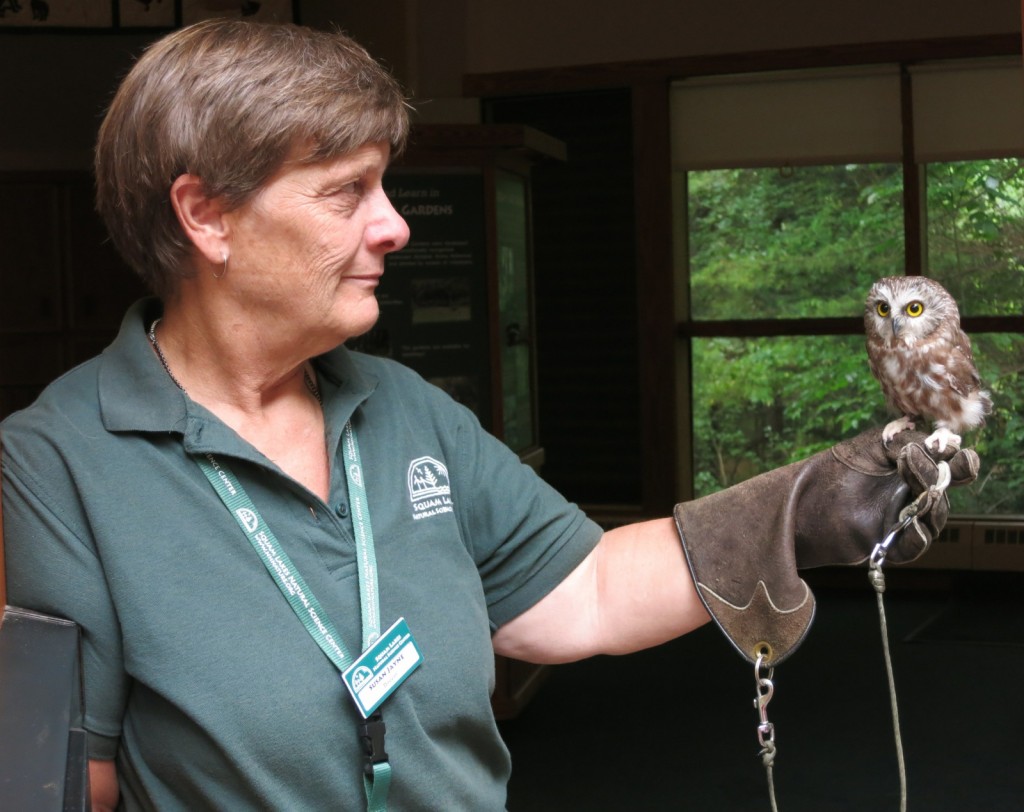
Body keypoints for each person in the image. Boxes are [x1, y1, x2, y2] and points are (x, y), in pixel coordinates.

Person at [0, 20, 978, 812]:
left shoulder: (405, 406)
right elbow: (60, 780)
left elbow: (583, 588)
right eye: (347, 192)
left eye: (384, 182)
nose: (393, 223)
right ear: (204, 214)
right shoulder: (56, 460)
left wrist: (801, 506)